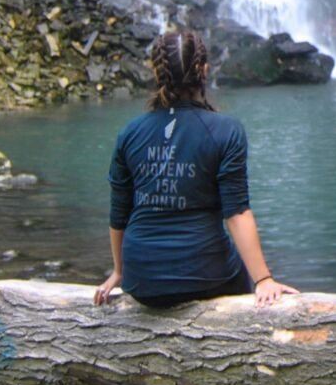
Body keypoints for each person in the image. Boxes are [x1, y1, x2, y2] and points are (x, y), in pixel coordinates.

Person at [93, 28, 295, 308]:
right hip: (205, 277)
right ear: (204, 70)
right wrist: (263, 279)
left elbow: (119, 213)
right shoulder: (226, 130)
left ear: (156, 72)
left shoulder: (130, 132)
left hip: (142, 282)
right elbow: (236, 212)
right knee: (235, 269)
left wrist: (119, 271)